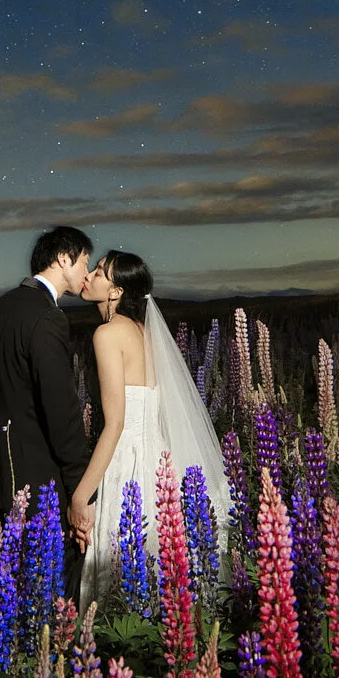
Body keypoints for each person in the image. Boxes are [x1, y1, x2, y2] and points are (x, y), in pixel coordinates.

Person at [70, 249, 230, 610]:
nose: (90, 275)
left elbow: (115, 424)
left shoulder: (108, 334)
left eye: (99, 272)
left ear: (116, 292)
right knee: (156, 565)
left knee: (120, 564)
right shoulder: (143, 332)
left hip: (125, 461)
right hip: (158, 461)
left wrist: (82, 496)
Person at [0, 226, 93, 530]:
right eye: (84, 260)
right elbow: (60, 408)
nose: (87, 271)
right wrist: (80, 484)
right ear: (63, 259)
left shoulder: (2, 306)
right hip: (39, 478)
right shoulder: (47, 316)